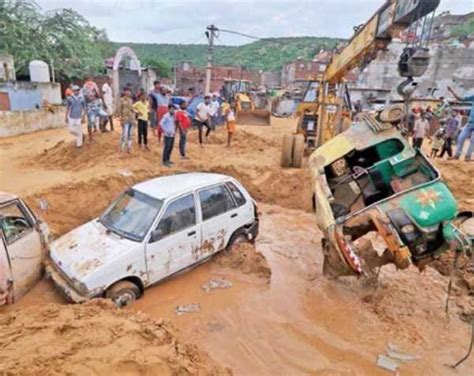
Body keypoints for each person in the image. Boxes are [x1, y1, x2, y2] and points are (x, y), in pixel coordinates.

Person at [447, 86, 474, 161]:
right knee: (461, 138)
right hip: (470, 123)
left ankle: (468, 156)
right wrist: (452, 91)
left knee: (473, 140)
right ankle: (457, 155)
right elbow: (461, 99)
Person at [82, 77, 107, 142]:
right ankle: (91, 137)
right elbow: (97, 95)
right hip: (91, 108)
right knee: (91, 122)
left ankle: (101, 129)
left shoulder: (87, 86)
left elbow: (97, 95)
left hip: (95, 107)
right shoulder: (89, 86)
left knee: (92, 122)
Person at [116, 87, 136, 153]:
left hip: (131, 118)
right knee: (125, 133)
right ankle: (122, 147)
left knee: (130, 134)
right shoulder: (121, 100)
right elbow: (119, 109)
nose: (129, 92)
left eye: (129, 91)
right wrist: (120, 117)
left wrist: (137, 112)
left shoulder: (131, 100)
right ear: (124, 92)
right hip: (125, 118)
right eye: (127, 91)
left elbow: (132, 109)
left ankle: (129, 147)